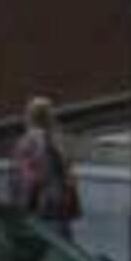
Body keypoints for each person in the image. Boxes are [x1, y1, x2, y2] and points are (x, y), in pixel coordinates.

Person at [11, 96, 81, 238]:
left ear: (29, 116)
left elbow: (29, 179)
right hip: (60, 210)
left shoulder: (27, 142)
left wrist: (21, 210)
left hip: (39, 211)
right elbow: (69, 176)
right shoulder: (58, 141)